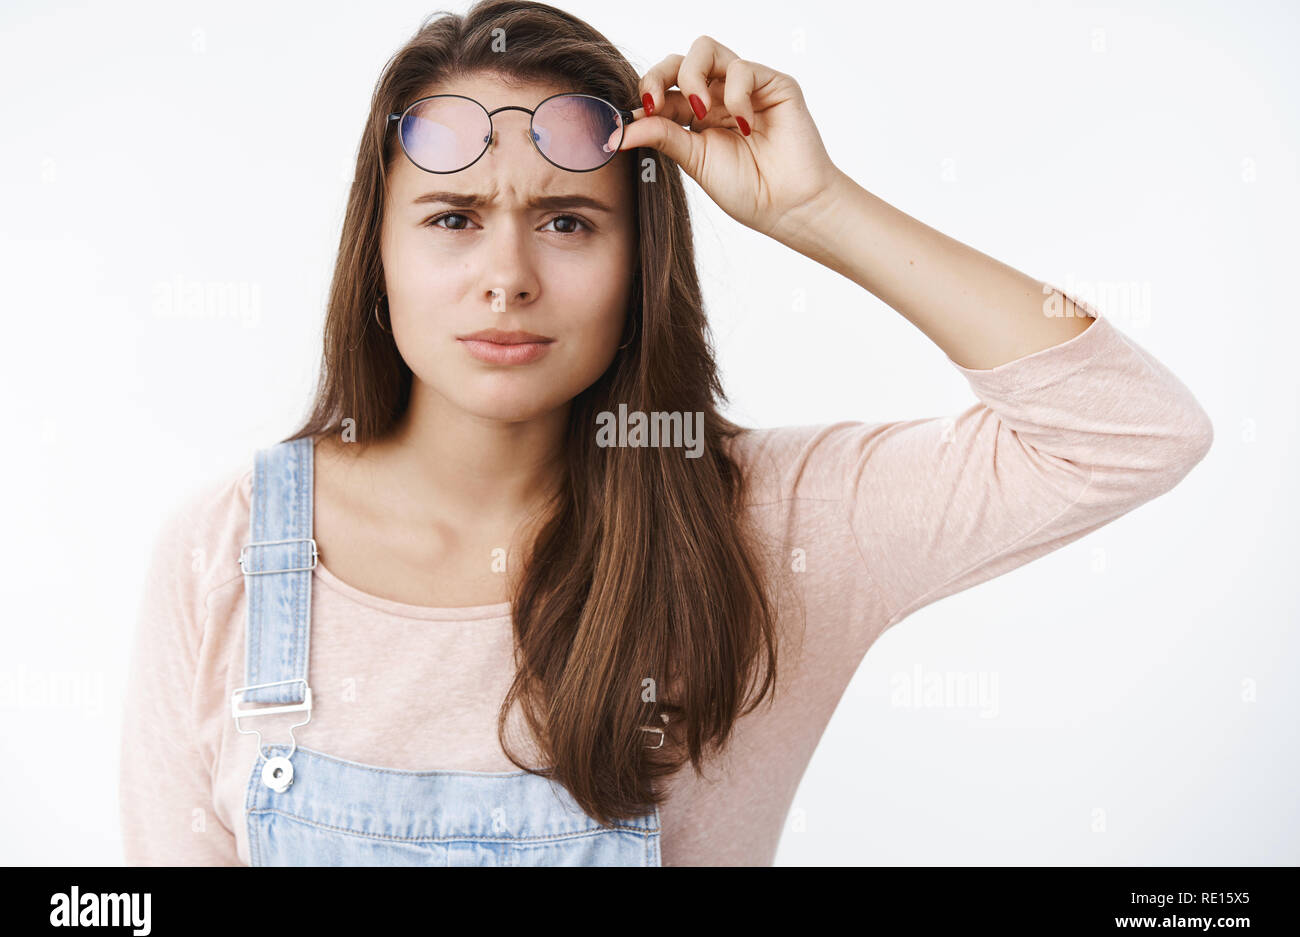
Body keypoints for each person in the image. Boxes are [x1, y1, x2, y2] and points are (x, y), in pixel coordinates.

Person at [119, 0, 1213, 866]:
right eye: (453, 218)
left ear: (641, 265)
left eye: (568, 220)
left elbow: (1129, 432)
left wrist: (816, 207)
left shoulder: (771, 526)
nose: (507, 277)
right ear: (378, 254)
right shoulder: (226, 552)